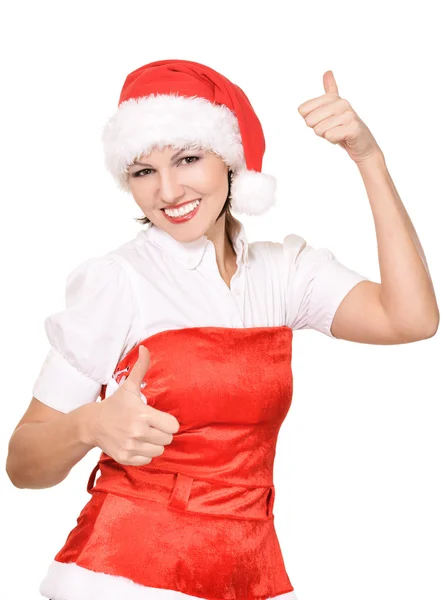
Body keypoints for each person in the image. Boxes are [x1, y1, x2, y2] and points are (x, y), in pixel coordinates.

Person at [6, 59, 439, 600]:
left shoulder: (283, 273)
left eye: (188, 158)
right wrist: (89, 424)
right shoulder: (119, 279)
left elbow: (412, 319)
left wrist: (368, 159)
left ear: (232, 160)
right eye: (143, 172)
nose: (167, 191)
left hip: (245, 572)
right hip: (124, 576)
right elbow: (23, 464)